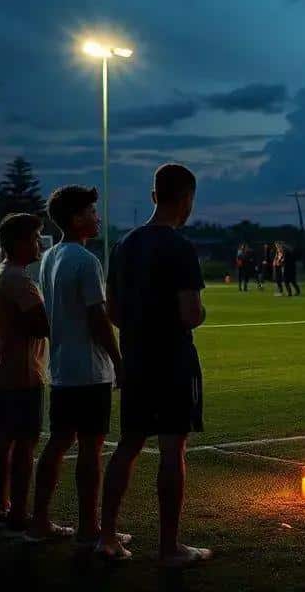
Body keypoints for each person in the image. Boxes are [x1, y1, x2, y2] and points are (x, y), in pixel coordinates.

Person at [96, 164, 212, 567]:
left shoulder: (123, 245)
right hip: (173, 360)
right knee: (171, 448)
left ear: (153, 196)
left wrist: (139, 326)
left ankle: (106, 535)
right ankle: (168, 547)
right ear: (186, 198)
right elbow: (189, 313)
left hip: (137, 358)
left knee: (128, 445)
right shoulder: (180, 248)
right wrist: (199, 314)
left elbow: (112, 309)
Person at [25, 186, 128, 545]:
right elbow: (98, 318)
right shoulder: (86, 261)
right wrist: (119, 362)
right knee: (90, 448)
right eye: (90, 211)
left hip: (63, 369)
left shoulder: (51, 257)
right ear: (75, 217)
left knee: (57, 442)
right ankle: (89, 528)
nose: (97, 217)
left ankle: (40, 521)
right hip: (88, 370)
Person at [0, 212, 49, 536]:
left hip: (4, 369)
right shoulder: (20, 280)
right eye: (36, 237)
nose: (39, 243)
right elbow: (42, 324)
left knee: (5, 438)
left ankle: (1, 504)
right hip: (23, 373)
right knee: (25, 443)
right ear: (21, 242)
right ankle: (19, 511)